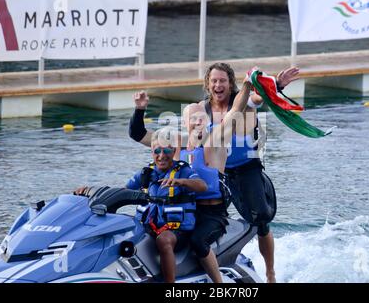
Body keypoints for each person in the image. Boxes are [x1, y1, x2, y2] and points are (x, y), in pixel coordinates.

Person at [129, 80, 252, 283]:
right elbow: (138, 134)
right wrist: (140, 109)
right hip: (185, 211)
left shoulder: (215, 141)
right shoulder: (176, 145)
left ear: (207, 120)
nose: (197, 121)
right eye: (192, 118)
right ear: (185, 123)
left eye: (201, 117)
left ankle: (218, 285)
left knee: (197, 241)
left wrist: (247, 84)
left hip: (212, 213)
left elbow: (235, 112)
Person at [199, 63, 300, 283]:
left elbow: (258, 98)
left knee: (261, 222)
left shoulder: (243, 101)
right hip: (220, 174)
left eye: (222, 80)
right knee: (206, 222)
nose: (218, 85)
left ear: (230, 83)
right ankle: (216, 265)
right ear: (208, 84)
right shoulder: (201, 110)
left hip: (247, 168)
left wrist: (277, 85)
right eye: (214, 81)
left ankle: (270, 272)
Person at [75, 129, 207, 283]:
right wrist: (90, 191)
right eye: (157, 150)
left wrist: (181, 182)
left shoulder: (183, 171)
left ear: (175, 150)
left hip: (177, 230)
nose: (161, 155)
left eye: (167, 150)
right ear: (152, 151)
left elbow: (202, 186)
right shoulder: (146, 173)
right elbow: (122, 191)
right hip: (149, 226)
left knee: (164, 240)